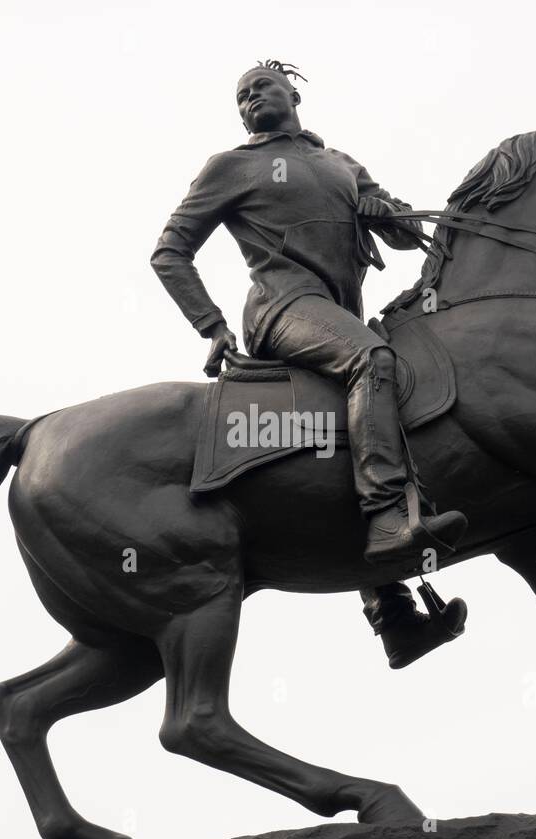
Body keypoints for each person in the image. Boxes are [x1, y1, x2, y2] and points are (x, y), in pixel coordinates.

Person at [151, 60, 467, 665]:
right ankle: (385, 519)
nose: (249, 101)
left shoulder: (341, 164)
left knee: (364, 416)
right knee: (373, 361)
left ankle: (394, 615)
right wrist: (211, 326)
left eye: (259, 88)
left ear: (292, 93)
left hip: (338, 312)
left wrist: (392, 215)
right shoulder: (231, 167)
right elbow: (170, 251)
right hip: (284, 310)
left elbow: (399, 230)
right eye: (240, 97)